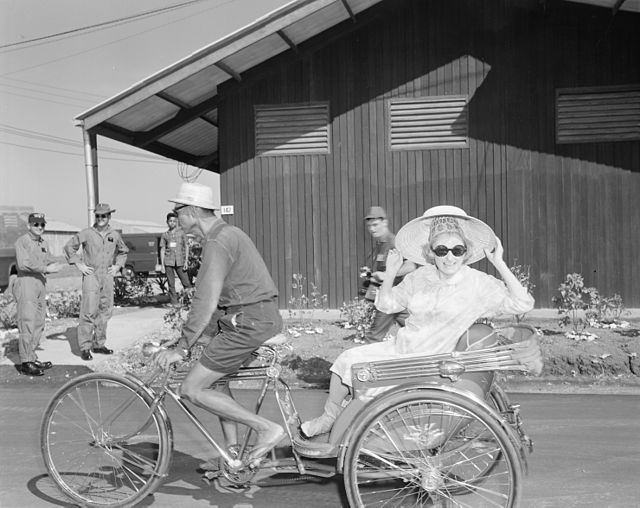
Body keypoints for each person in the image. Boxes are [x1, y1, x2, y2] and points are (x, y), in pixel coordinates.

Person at [299, 205, 537, 438]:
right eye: (442, 250)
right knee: (346, 359)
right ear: (431, 252)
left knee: (358, 370)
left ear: (466, 252)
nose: (450, 257)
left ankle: (348, 425)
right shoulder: (420, 277)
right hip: (402, 350)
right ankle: (330, 418)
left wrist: (499, 264)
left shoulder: (477, 283)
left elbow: (523, 303)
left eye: (458, 250)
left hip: (430, 361)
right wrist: (391, 272)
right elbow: (386, 306)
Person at [152, 182, 285, 466]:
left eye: (177, 211)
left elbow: (205, 301)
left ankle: (266, 429)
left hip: (249, 321)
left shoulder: (217, 242)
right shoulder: (228, 234)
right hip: (252, 317)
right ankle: (233, 455)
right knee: (217, 380)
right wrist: (187, 340)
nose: (176, 217)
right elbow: (221, 302)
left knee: (191, 389)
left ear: (190, 212)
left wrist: (182, 348)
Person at [64, 203, 128, 361]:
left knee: (105, 311)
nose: (100, 218)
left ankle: (99, 344)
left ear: (109, 217)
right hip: (91, 275)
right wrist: (79, 264)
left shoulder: (114, 234)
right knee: (89, 311)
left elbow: (123, 251)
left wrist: (118, 266)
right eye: (98, 216)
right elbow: (69, 247)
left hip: (107, 275)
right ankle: (85, 347)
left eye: (103, 216)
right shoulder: (87, 233)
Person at [14, 212, 65, 376]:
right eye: (36, 224)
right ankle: (25, 362)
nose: (39, 227)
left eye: (42, 224)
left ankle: (31, 356)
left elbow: (50, 258)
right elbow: (23, 264)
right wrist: (46, 268)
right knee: (27, 322)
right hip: (27, 283)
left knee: (39, 322)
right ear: (29, 226)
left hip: (40, 284)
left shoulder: (43, 243)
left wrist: (71, 259)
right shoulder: (22, 242)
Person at [360, 206, 416, 343]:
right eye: (369, 226)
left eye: (375, 225)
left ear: (384, 222)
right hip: (394, 299)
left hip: (393, 296)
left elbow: (411, 266)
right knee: (415, 331)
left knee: (373, 337)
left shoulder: (394, 242)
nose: (372, 229)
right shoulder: (380, 244)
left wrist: (387, 275)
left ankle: (363, 363)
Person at [160, 211, 192, 306]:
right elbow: (162, 249)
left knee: (186, 282)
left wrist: (186, 261)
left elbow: (186, 246)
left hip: (180, 261)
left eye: (174, 221)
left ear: (177, 222)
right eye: (170, 221)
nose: (172, 223)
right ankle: (174, 302)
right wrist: (162, 265)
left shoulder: (182, 233)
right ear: (167, 222)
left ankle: (190, 301)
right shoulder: (165, 235)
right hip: (168, 262)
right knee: (171, 284)